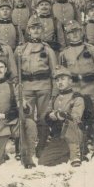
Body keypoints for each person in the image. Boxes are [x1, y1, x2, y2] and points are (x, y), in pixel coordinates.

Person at [0, 53, 37, 167]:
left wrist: (23, 105)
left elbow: (20, 101)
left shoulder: (12, 85)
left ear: (5, 69)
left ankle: (27, 157)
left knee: (29, 124)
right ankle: (1, 153)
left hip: (11, 123)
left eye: (1, 67)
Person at [57, 19, 94, 153]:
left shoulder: (92, 49)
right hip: (75, 88)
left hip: (90, 86)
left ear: (82, 32)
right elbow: (62, 72)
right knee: (76, 116)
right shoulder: (64, 53)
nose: (74, 34)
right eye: (71, 32)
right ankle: (79, 144)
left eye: (77, 31)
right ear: (67, 35)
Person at [15, 15, 58, 158]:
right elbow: (15, 71)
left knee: (43, 118)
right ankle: (26, 147)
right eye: (33, 28)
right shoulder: (21, 49)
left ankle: (42, 146)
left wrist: (54, 91)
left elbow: (54, 72)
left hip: (44, 86)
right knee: (26, 117)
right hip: (26, 86)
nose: (36, 30)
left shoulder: (48, 50)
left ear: (42, 30)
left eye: (38, 28)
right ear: (28, 30)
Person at [39, 67, 90, 167]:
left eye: (63, 79)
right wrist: (50, 115)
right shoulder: (55, 98)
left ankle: (76, 155)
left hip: (74, 134)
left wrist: (61, 115)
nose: (60, 82)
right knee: (43, 161)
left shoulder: (77, 97)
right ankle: (67, 154)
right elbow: (44, 116)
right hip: (59, 135)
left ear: (70, 81)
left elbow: (76, 117)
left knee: (71, 122)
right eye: (57, 80)